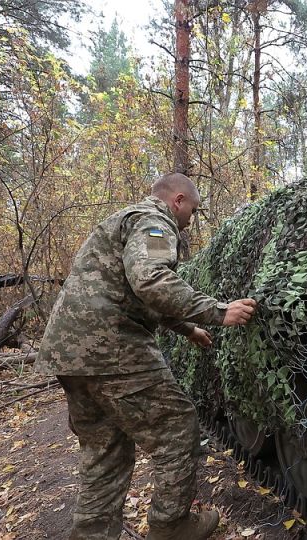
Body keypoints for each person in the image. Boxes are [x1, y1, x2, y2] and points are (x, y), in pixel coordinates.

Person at [35, 172, 257, 540]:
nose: (191, 221)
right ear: (178, 201)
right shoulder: (153, 223)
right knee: (177, 429)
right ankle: (171, 527)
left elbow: (131, 290)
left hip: (70, 356)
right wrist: (219, 311)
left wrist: (187, 329)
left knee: (105, 453)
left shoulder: (123, 221)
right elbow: (150, 280)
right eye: (193, 211)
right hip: (111, 350)